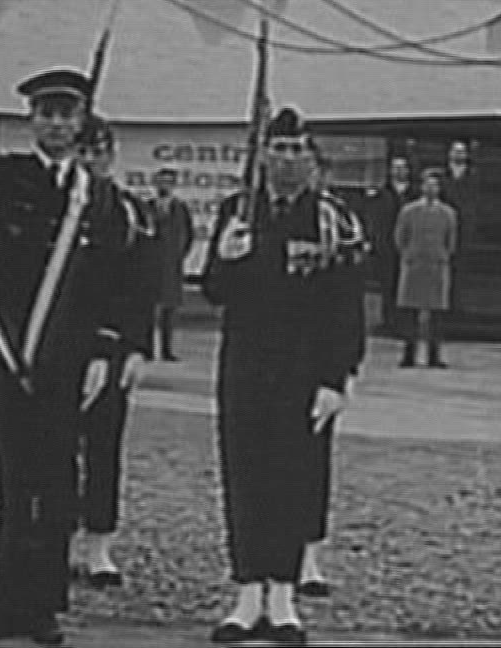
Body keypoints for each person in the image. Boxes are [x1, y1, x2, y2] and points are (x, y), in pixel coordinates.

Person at [0, 70, 148, 646]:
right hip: (10, 350)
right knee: (13, 479)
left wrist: (105, 350)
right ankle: (3, 607)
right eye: (46, 113)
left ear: (81, 120)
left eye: (66, 114)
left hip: (68, 358)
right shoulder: (5, 175)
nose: (56, 124)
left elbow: (113, 280)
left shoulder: (101, 198)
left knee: (58, 478)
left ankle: (42, 608)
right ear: (31, 119)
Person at [203, 107, 367, 645]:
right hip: (245, 366)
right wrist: (225, 258)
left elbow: (346, 305)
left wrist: (337, 377)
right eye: (279, 148)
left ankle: (283, 595)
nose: (288, 159)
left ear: (311, 158)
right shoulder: (238, 210)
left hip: (304, 370)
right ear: (263, 154)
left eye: (298, 150)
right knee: (245, 475)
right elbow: (215, 292)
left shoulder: (332, 220)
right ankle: (248, 593)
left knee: (294, 479)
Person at [68, 117, 158, 589]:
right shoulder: (56, 205)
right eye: (82, 151)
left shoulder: (131, 212)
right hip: (59, 345)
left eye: (98, 152)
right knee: (56, 448)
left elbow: (142, 286)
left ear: (112, 155)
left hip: (114, 345)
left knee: (103, 448)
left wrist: (136, 346)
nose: (90, 161)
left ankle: (99, 542)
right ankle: (60, 538)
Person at [301, 149, 370, 598]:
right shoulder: (255, 213)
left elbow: (349, 301)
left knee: (312, 463)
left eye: (311, 166)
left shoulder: (341, 223)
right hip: (267, 359)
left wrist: (344, 369)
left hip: (318, 359)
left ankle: (308, 555)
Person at [395, 168, 460, 369]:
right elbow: (400, 237)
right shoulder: (409, 211)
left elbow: (451, 241)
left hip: (436, 265)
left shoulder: (448, 213)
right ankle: (409, 355)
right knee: (410, 313)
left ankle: (434, 355)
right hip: (414, 264)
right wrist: (409, 254)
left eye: (435, 185)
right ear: (422, 187)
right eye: (427, 185)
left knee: (437, 315)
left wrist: (442, 255)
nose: (431, 189)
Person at [147, 167, 195, 362]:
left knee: (170, 310)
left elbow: (188, 235)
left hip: (172, 266)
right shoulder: (147, 207)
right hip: (150, 266)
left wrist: (178, 256)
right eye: (161, 182)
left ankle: (167, 350)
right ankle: (147, 348)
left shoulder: (181, 208)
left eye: (168, 182)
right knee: (148, 309)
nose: (164, 186)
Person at [362, 154, 413, 333]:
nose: (399, 171)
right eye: (395, 167)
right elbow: (374, 220)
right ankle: (388, 321)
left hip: (409, 247)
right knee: (387, 284)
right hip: (386, 246)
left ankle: (405, 324)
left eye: (402, 167)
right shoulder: (382, 195)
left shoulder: (414, 194)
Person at [440, 140, 478, 314]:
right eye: (455, 151)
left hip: (464, 226)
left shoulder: (474, 176)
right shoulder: (442, 176)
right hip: (443, 226)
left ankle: (458, 304)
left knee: (461, 266)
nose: (458, 154)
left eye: (462, 151)